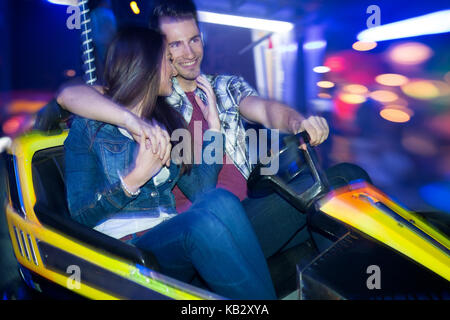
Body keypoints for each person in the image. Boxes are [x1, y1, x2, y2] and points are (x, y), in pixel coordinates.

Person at [58, 0, 372, 259]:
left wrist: (297, 122)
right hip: (201, 225)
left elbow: (264, 108)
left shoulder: (222, 87)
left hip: (248, 208)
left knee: (338, 199)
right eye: (175, 45)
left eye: (194, 39)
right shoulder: (151, 105)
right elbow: (70, 95)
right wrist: (133, 121)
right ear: (157, 54)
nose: (188, 53)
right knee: (338, 183)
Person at [64, 27, 276, 300]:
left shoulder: (167, 125)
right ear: (147, 66)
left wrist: (214, 126)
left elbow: (202, 190)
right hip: (125, 251)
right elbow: (79, 215)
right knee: (200, 227)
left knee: (222, 201)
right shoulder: (89, 128)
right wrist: (133, 181)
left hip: (167, 240)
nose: (173, 69)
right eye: (167, 59)